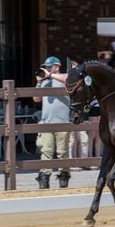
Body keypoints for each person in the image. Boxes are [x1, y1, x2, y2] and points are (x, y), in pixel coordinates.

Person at [32, 56, 71, 188]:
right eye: (46, 67)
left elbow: (67, 78)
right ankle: (44, 178)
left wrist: (51, 76)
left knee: (62, 152)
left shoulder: (64, 79)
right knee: (46, 151)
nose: (47, 70)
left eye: (49, 67)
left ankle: (63, 177)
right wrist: (38, 82)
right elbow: (36, 99)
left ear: (57, 66)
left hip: (62, 122)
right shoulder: (45, 82)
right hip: (46, 122)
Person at [68, 60, 91, 170]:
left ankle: (84, 162)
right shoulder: (68, 81)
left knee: (84, 139)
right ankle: (71, 163)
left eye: (76, 66)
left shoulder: (83, 81)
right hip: (71, 113)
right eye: (72, 66)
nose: (74, 69)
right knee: (71, 140)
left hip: (80, 113)